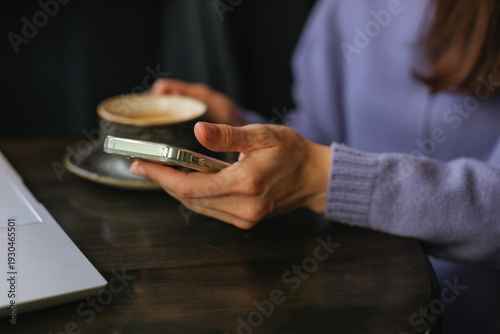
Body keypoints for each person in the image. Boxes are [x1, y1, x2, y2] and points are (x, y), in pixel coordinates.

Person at [130, 0, 500, 332]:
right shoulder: (345, 8)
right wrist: (242, 133)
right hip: (354, 296)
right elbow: (317, 136)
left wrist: (326, 179)